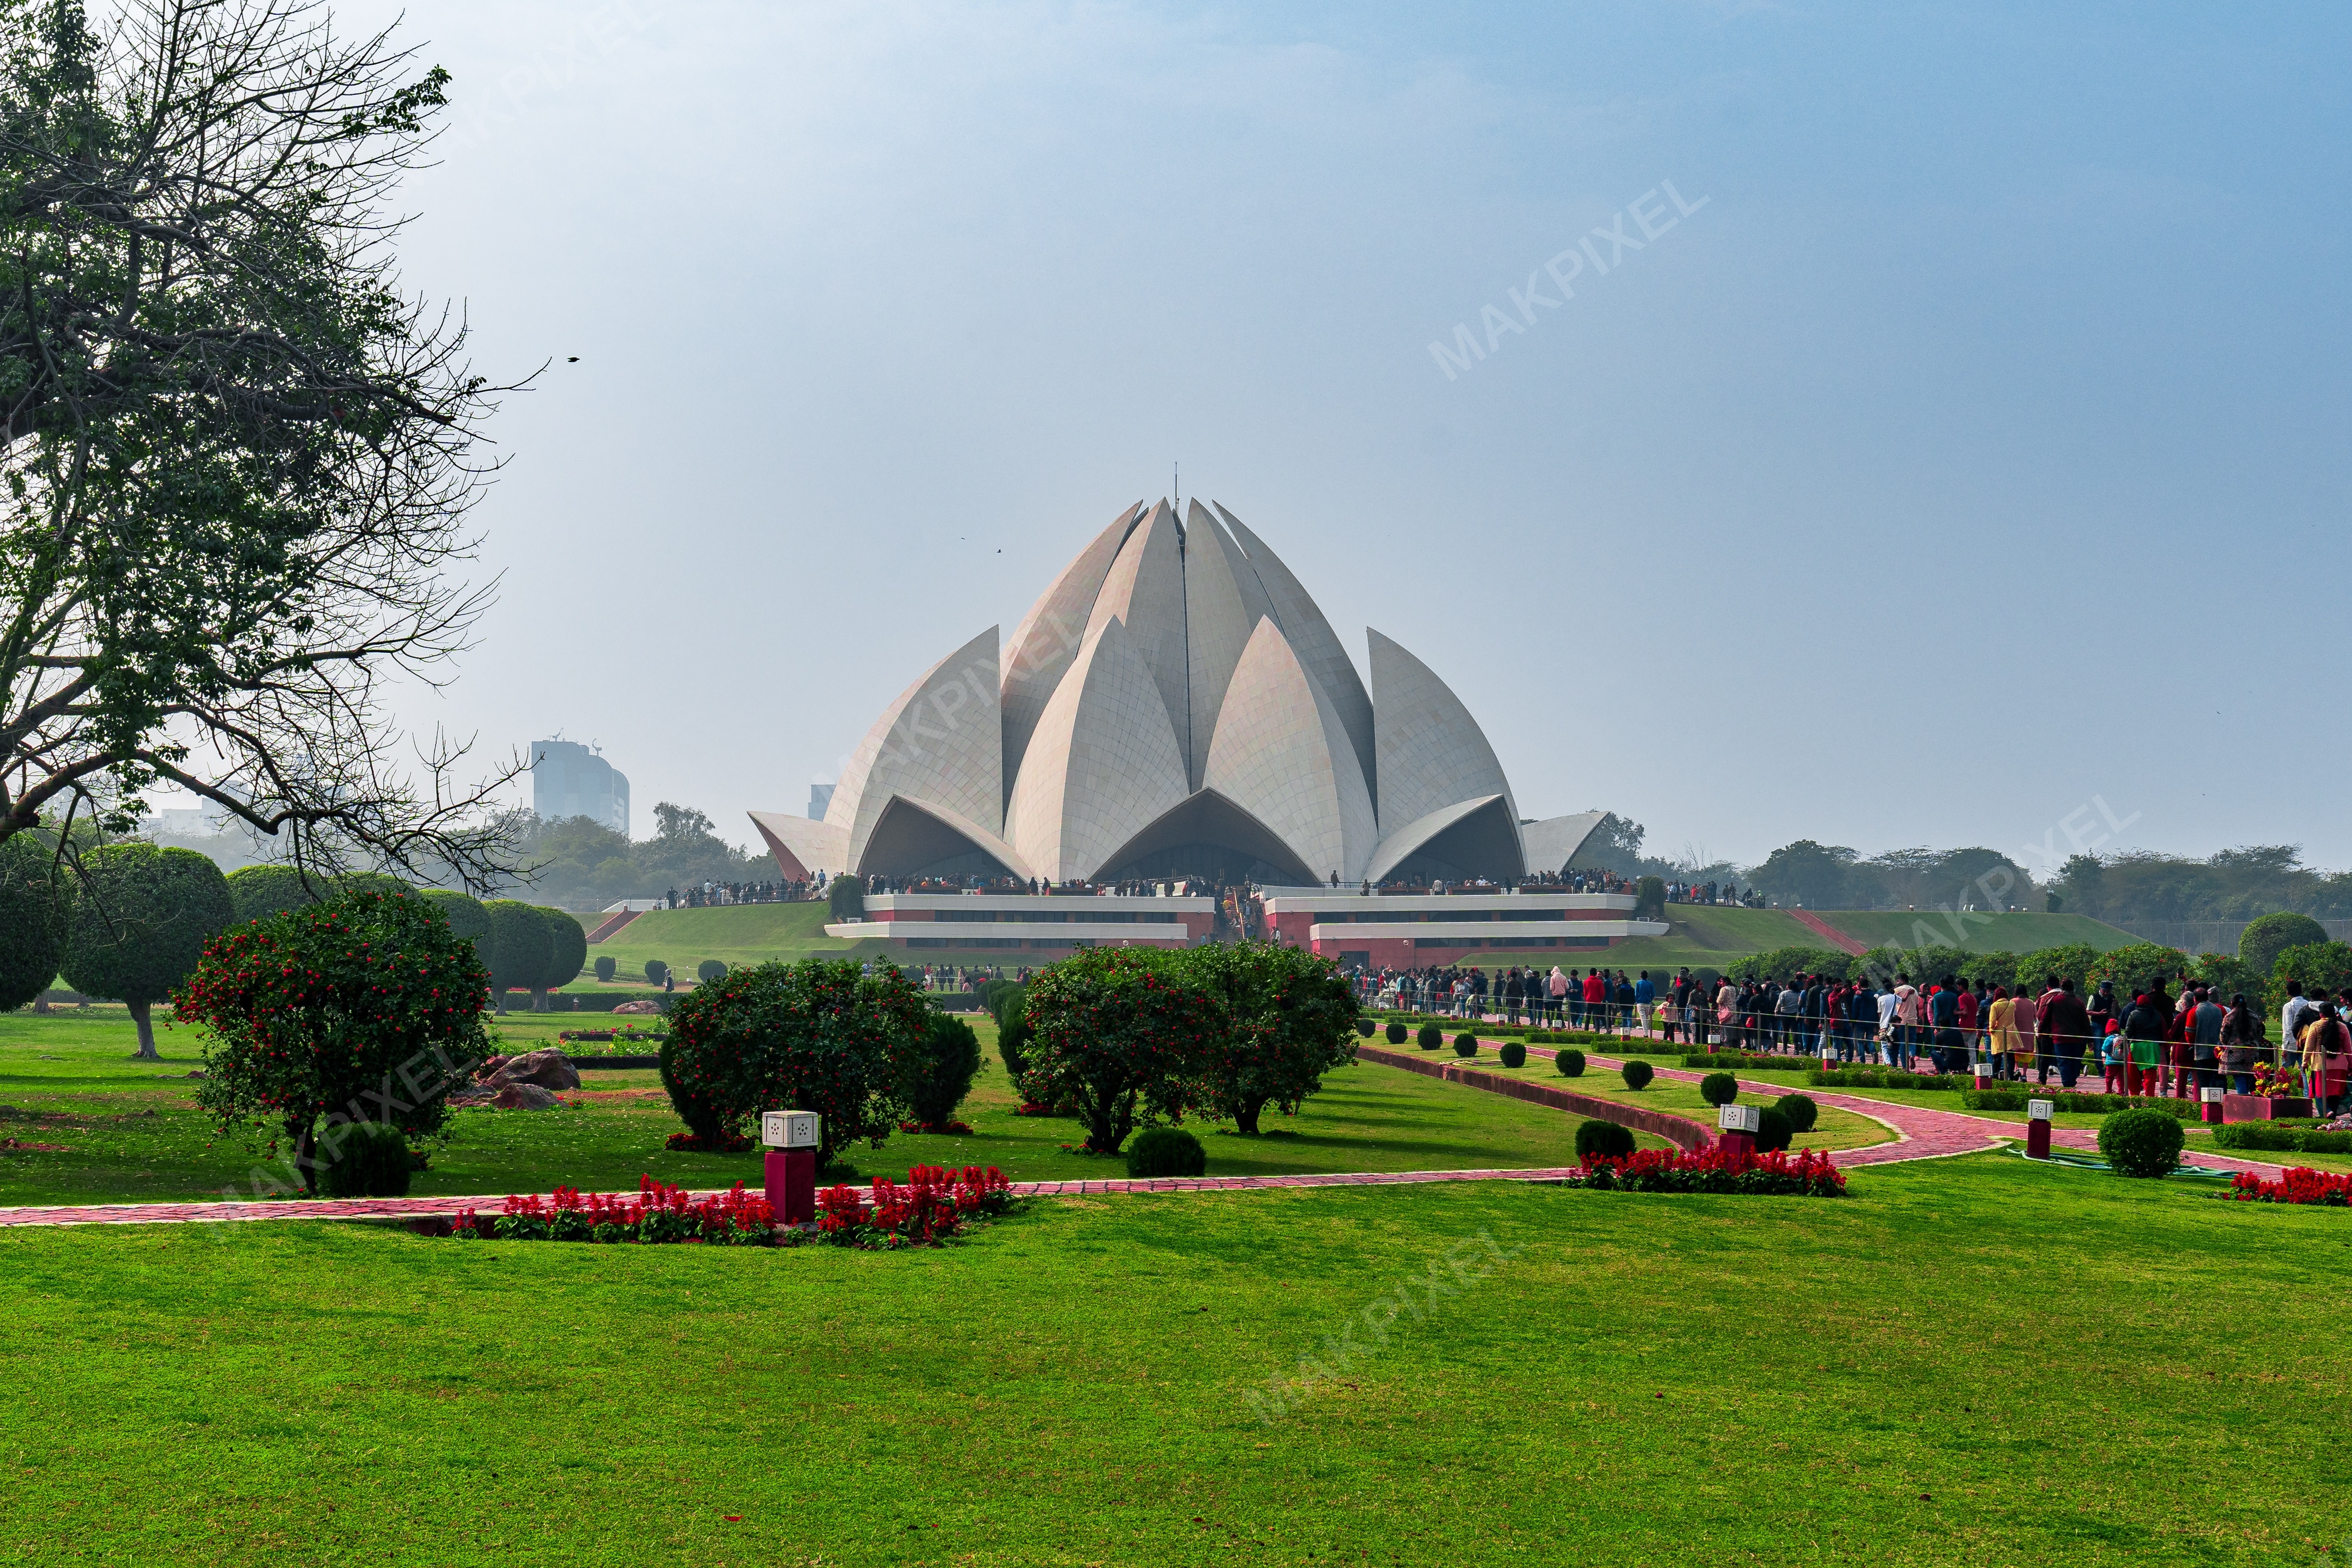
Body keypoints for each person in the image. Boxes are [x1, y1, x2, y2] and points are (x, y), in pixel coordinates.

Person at [2038, 978, 2094, 1091]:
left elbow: (2045, 1018)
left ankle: (2068, 1085)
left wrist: (2040, 1031)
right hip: (2077, 1038)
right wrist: (2090, 1040)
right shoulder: (2079, 1002)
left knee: (2063, 1062)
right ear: (2073, 989)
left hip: (2060, 1037)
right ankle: (2071, 1083)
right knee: (2074, 1062)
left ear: (2062, 988)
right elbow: (2086, 1022)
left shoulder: (2055, 1000)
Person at [2123, 990, 2168, 1097]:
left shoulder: (2134, 1014)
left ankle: (2134, 1097)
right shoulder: (2157, 1014)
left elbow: (2128, 1032)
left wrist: (2122, 1045)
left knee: (2133, 1074)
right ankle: (2149, 1099)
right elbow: (2161, 1031)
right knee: (2150, 1076)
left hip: (2137, 1046)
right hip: (2153, 1046)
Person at [2219, 993, 2262, 1094]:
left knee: (2240, 1082)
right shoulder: (2254, 1016)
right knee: (2248, 1080)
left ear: (2232, 1003)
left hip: (2235, 1055)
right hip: (2253, 1054)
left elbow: (2223, 1037)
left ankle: (2243, 1105)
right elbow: (2260, 1033)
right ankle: (2249, 1103)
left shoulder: (2229, 1017)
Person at [1984, 985, 2016, 1080]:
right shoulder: (2012, 1005)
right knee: (2010, 1056)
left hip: (1998, 1034)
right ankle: (2011, 1075)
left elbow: (1992, 1022)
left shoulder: (1995, 1006)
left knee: (1997, 1057)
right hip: (2010, 1032)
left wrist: (1991, 1030)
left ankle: (1994, 1076)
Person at [2099, 1018, 2127, 1093]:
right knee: (2121, 1077)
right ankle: (2121, 1091)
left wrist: (2110, 1053)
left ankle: (2108, 1090)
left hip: (2111, 1062)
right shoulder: (2122, 1038)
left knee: (2109, 1077)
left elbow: (2104, 1048)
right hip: (2121, 1062)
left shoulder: (2110, 1038)